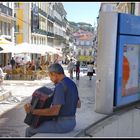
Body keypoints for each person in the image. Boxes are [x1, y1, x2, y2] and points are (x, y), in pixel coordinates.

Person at [24, 63, 81, 137]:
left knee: (29, 130)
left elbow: (55, 111)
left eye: (50, 76)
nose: (50, 79)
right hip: (72, 122)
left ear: (54, 74)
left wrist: (32, 111)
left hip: (62, 125)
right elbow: (78, 104)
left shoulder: (60, 86)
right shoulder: (72, 83)